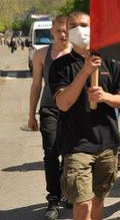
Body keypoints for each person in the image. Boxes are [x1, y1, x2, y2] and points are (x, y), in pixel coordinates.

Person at [49, 11, 120, 220]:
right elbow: (63, 104)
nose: (79, 30)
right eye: (73, 26)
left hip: (106, 143)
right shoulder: (60, 66)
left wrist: (106, 97)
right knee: (82, 203)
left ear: (93, 28)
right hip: (76, 145)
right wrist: (85, 71)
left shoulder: (110, 61)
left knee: (97, 202)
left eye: (84, 25)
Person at [28, 15, 72, 220]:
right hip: (49, 109)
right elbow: (36, 85)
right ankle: (53, 199)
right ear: (52, 32)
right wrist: (31, 114)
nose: (63, 34)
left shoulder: (78, 53)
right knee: (51, 152)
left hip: (73, 110)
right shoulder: (40, 54)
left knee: (70, 152)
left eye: (66, 30)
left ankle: (68, 191)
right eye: (59, 30)